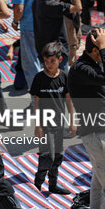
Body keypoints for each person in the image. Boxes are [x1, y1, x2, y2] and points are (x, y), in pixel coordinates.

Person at [68, 28, 105, 209]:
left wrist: (103, 49)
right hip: (100, 136)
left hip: (101, 136)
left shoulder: (90, 65)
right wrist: (104, 48)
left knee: (100, 183)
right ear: (95, 50)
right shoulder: (81, 68)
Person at [31, 42, 75, 195]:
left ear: (60, 60)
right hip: (44, 124)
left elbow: (69, 100)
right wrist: (37, 125)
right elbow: (35, 102)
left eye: (53, 61)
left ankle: (53, 184)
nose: (49, 65)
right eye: (46, 61)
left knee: (57, 156)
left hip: (59, 124)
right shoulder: (39, 78)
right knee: (46, 156)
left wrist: (72, 120)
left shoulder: (64, 77)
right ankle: (38, 182)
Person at [8, 0, 49, 87]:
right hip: (48, 21)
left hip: (30, 25)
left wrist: (14, 22)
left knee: (32, 64)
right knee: (51, 59)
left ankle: (37, 99)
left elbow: (19, 8)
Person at [32, 0, 82, 73]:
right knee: (61, 85)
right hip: (56, 52)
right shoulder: (51, 5)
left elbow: (57, 0)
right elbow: (78, 7)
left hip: (46, 50)